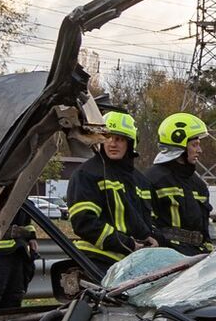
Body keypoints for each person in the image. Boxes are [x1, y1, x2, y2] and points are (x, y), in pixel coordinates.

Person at [67, 110, 157, 264]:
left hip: (132, 262)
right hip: (96, 260)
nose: (112, 144)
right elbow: (84, 222)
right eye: (107, 138)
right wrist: (128, 244)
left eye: (119, 139)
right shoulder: (86, 174)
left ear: (130, 143)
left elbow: (147, 222)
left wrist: (152, 238)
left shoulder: (141, 180)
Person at [148, 112, 216, 254]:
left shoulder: (199, 185)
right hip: (166, 258)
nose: (200, 150)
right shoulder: (153, 179)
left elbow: (205, 230)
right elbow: (146, 224)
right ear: (179, 147)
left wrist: (208, 254)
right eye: (194, 145)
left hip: (198, 258)